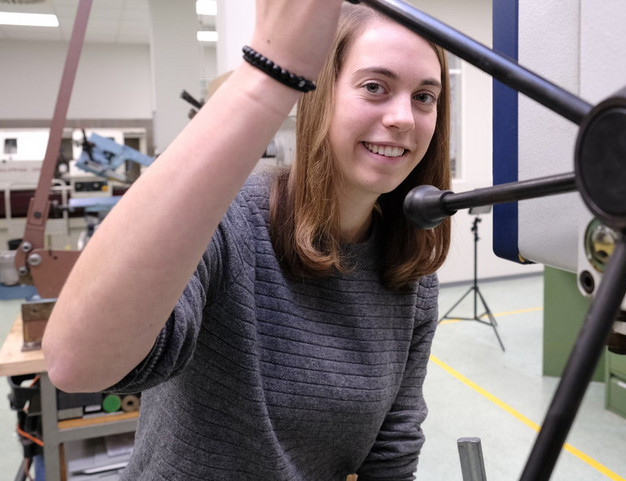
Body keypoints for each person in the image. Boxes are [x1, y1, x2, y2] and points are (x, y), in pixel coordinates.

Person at [41, 1, 452, 480]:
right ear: (319, 95)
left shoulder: (411, 274)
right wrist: (269, 73)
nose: (404, 117)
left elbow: (392, 450)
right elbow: (78, 365)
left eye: (424, 96)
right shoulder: (231, 223)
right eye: (374, 87)